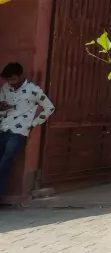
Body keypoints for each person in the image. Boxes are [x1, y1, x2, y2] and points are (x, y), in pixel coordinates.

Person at [0, 62, 55, 197]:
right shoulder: (5, 88)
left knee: (5, 163)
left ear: (20, 76)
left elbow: (50, 108)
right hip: (2, 128)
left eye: (12, 79)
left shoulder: (33, 90)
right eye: (8, 79)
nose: (10, 82)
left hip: (18, 133)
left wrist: (34, 123)